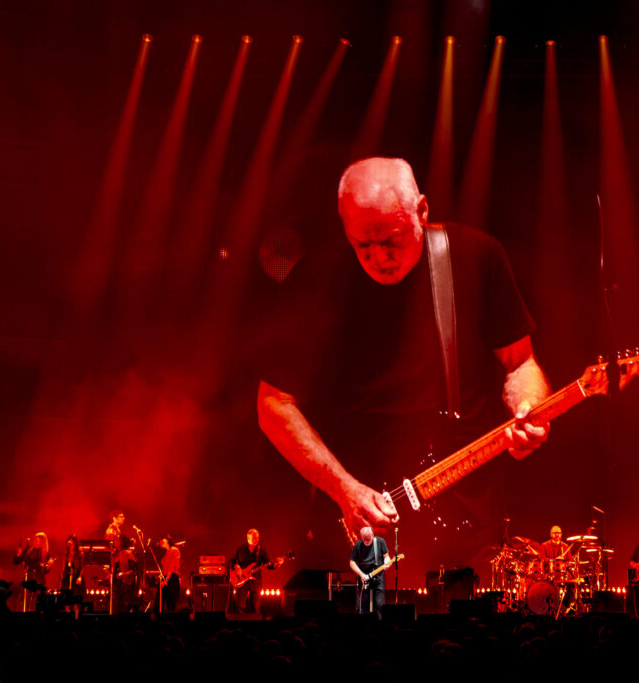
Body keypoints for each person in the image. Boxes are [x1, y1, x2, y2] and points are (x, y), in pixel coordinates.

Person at [257, 157, 552, 577]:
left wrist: (528, 408)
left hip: (464, 525)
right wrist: (345, 490)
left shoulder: (475, 257)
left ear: (422, 210)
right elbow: (273, 404)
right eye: (363, 245)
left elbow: (520, 361)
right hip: (354, 524)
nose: (379, 257)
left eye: (391, 239)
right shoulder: (316, 280)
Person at [230, 529, 284, 614]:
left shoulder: (261, 551)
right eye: (254, 538)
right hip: (241, 582)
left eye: (258, 537)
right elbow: (231, 561)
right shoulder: (240, 549)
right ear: (248, 538)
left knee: (256, 608)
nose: (257, 539)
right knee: (240, 607)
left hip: (256, 582)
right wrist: (236, 566)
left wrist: (277, 564)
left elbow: (268, 565)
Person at [349, 526, 391, 618]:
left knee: (379, 605)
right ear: (361, 537)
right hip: (363, 576)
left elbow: (386, 556)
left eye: (368, 538)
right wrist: (361, 574)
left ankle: (380, 627)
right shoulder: (358, 545)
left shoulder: (380, 542)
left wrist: (387, 562)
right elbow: (352, 562)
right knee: (362, 606)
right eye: (364, 539)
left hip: (378, 576)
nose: (367, 541)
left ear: (373, 535)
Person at [13, 532, 52, 612]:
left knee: (32, 604)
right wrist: (18, 554)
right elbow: (17, 561)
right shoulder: (28, 550)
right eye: (34, 540)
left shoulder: (45, 554)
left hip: (37, 581)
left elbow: (44, 571)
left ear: (42, 543)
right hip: (27, 579)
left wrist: (49, 566)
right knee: (20, 601)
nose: (34, 542)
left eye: (36, 541)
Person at [60, 534, 84, 616]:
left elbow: (82, 567)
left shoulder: (80, 554)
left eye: (72, 542)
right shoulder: (66, 554)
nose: (69, 544)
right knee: (66, 601)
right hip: (67, 578)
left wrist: (80, 577)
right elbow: (63, 568)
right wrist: (61, 579)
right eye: (68, 542)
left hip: (76, 578)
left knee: (75, 601)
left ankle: (77, 618)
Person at [159, 535, 182, 612]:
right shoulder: (166, 553)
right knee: (161, 602)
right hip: (166, 578)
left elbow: (172, 566)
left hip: (172, 578)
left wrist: (166, 579)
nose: (161, 542)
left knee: (171, 603)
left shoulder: (174, 550)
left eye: (163, 540)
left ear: (168, 542)